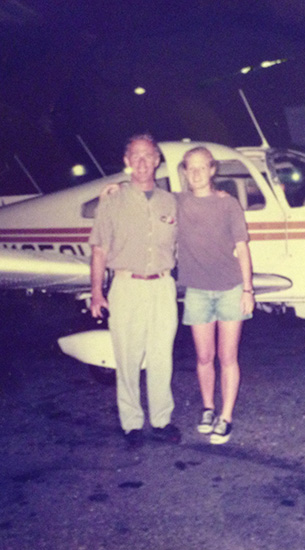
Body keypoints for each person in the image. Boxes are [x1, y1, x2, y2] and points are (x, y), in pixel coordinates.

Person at [88, 134, 181, 449]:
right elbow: (99, 250)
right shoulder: (112, 200)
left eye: (148, 156)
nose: (142, 162)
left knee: (161, 356)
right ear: (127, 162)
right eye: (135, 156)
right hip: (126, 286)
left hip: (163, 286)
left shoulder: (171, 201)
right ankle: (131, 423)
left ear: (157, 160)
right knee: (127, 357)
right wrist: (97, 293)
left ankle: (162, 419)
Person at [177, 146, 254, 444]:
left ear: (212, 170)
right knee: (204, 356)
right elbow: (145, 199)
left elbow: (243, 248)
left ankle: (226, 416)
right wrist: (113, 189)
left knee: (228, 356)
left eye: (202, 167)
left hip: (230, 288)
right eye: (190, 167)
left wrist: (248, 289)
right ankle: (208, 408)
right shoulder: (177, 203)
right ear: (184, 171)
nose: (195, 173)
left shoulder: (228, 204)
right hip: (197, 291)